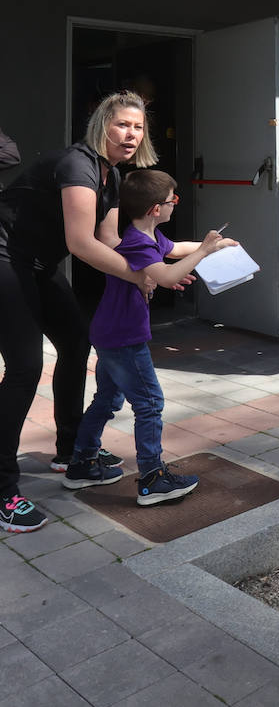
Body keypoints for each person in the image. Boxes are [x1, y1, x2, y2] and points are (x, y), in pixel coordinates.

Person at [0, 92, 181, 532]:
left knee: (77, 344)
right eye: (122, 125)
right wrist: (140, 277)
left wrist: (152, 266)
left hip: (40, 264)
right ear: (102, 125)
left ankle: (69, 451)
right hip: (6, 258)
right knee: (25, 368)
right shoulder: (77, 165)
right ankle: (3, 490)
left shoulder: (111, 177)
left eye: (138, 128)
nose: (131, 135)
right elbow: (81, 245)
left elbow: (110, 241)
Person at [62, 170, 235, 502]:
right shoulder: (138, 243)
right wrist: (204, 252)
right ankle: (153, 478)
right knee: (150, 402)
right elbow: (169, 276)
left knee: (107, 400)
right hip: (123, 336)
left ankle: (82, 463)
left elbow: (175, 251)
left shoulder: (149, 236)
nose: (175, 205)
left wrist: (212, 246)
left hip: (110, 331)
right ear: (157, 208)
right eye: (174, 199)